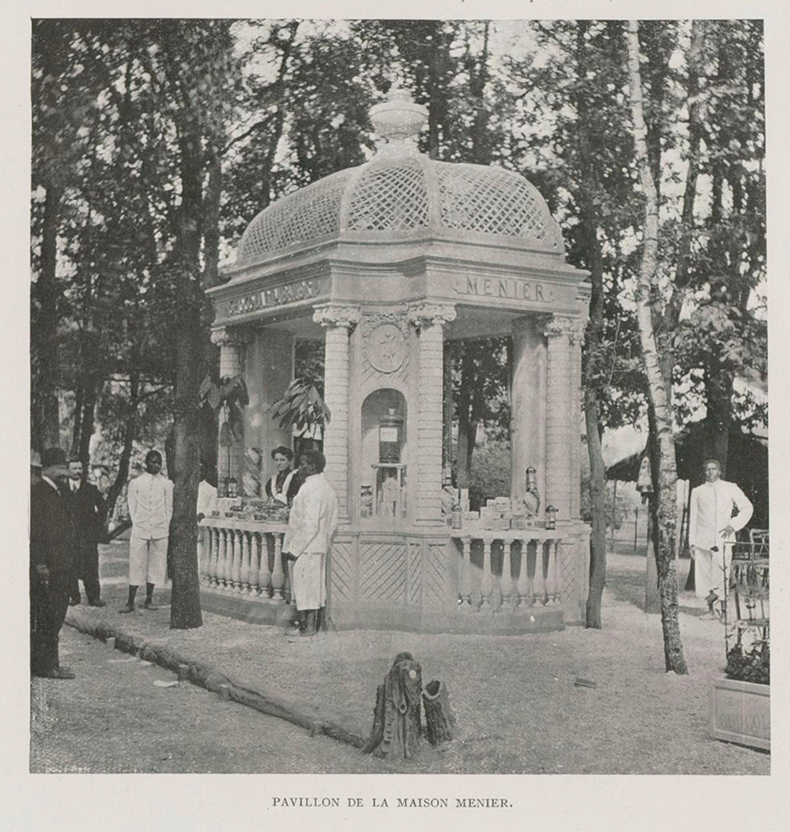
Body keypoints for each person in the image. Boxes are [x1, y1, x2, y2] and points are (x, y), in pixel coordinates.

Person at [30, 447, 78, 679]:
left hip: (62, 566)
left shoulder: (59, 492)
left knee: (56, 616)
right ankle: (46, 666)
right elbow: (37, 533)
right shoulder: (39, 493)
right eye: (60, 468)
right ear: (47, 468)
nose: (65, 473)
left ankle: (52, 664)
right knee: (49, 617)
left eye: (65, 468)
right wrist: (40, 565)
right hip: (49, 568)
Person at [283, 449, 338, 640]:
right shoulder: (325, 487)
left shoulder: (312, 488)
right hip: (316, 545)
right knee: (313, 586)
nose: (299, 468)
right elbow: (332, 523)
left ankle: (308, 629)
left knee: (306, 587)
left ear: (312, 466)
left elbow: (310, 523)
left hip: (307, 547)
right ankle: (308, 626)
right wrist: (324, 540)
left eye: (303, 464)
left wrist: (294, 549)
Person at [689, 459, 753, 619]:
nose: (710, 472)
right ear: (703, 472)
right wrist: (692, 542)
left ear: (719, 471)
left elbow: (747, 508)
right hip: (702, 539)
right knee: (705, 574)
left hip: (723, 538)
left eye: (714, 469)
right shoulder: (697, 491)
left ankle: (724, 612)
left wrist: (733, 525)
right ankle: (710, 610)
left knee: (722, 573)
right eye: (707, 469)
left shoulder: (730, 488)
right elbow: (693, 518)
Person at [120, 450, 173, 613]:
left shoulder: (167, 484)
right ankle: (130, 601)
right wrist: (138, 522)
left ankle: (149, 599)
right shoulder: (136, 483)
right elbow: (132, 505)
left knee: (156, 564)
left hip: (160, 527)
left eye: (159, 462)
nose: (156, 465)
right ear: (146, 463)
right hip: (140, 527)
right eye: (153, 462)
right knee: (136, 562)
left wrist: (164, 522)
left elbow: (169, 507)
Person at [66, 458, 107, 607]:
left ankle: (94, 597)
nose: (77, 471)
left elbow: (103, 509)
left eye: (80, 468)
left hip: (87, 537)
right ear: (68, 470)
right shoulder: (62, 490)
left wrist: (94, 527)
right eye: (74, 468)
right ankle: (74, 597)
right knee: (70, 566)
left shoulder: (90, 489)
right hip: (68, 537)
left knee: (91, 567)